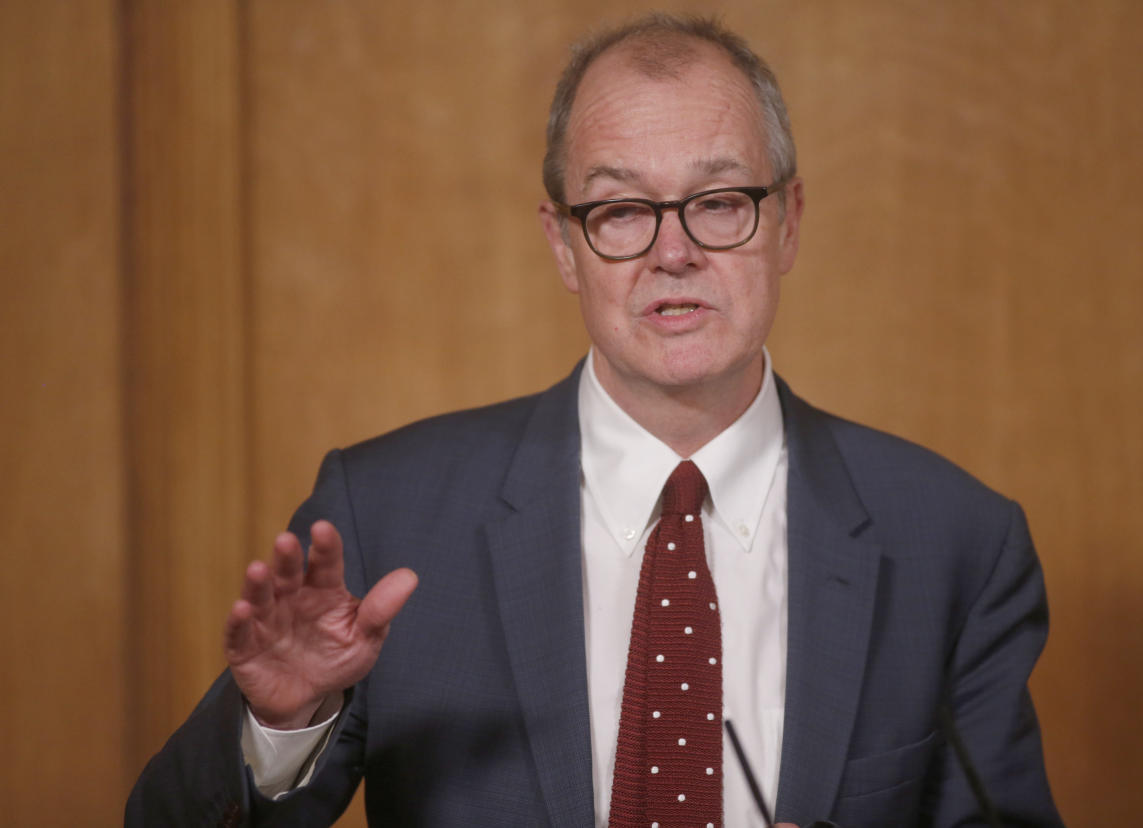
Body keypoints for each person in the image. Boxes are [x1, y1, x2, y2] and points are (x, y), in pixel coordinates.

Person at [126, 13, 1063, 828]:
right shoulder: (386, 515)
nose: (674, 251)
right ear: (564, 246)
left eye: (720, 202)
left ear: (788, 223)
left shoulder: (954, 543)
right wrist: (283, 728)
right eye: (620, 211)